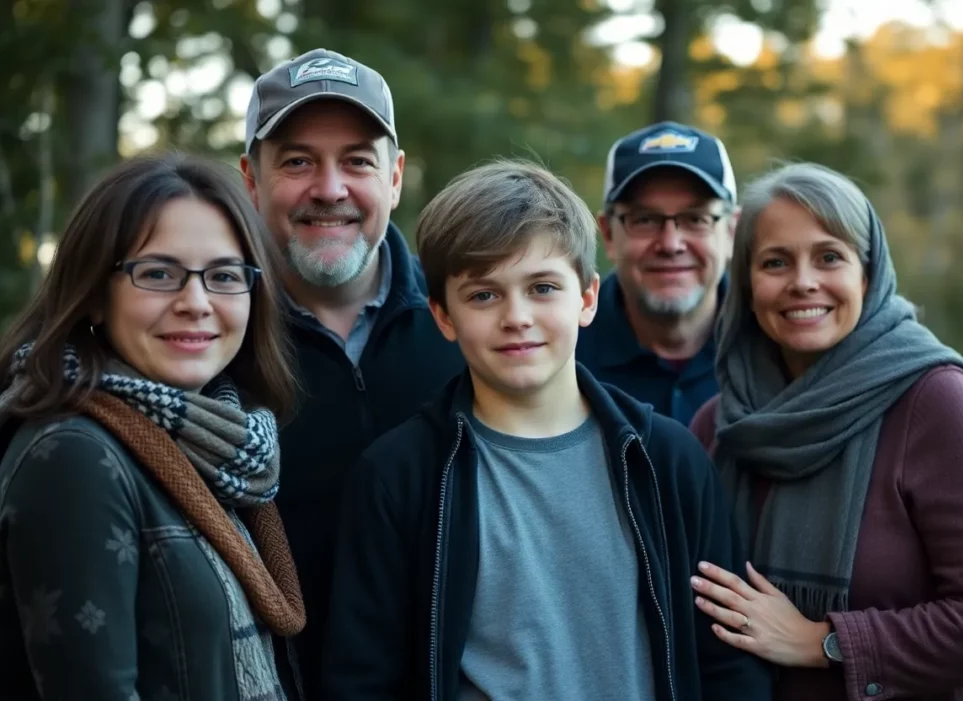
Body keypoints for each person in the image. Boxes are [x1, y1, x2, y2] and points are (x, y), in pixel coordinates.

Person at [320, 159, 773, 700]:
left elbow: (728, 663)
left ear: (586, 298)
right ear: (443, 316)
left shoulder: (667, 459)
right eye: (484, 295)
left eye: (541, 288)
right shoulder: (400, 477)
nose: (517, 317)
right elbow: (363, 680)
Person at [688, 162, 963, 700]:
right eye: (775, 262)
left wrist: (822, 642)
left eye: (829, 257)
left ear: (868, 275)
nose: (803, 281)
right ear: (747, 285)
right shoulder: (720, 427)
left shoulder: (930, 399)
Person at [0, 153, 305, 701]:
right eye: (159, 273)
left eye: (224, 276)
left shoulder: (218, 444)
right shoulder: (72, 455)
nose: (196, 302)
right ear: (96, 292)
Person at [239, 48, 464, 695]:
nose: (330, 189)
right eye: (298, 161)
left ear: (394, 178)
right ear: (251, 182)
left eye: (357, 161)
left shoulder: (470, 327)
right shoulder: (208, 343)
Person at [576, 121, 738, 426]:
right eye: (645, 219)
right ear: (609, 234)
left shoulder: (776, 342)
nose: (670, 244)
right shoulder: (558, 347)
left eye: (696, 218)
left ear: (730, 231)